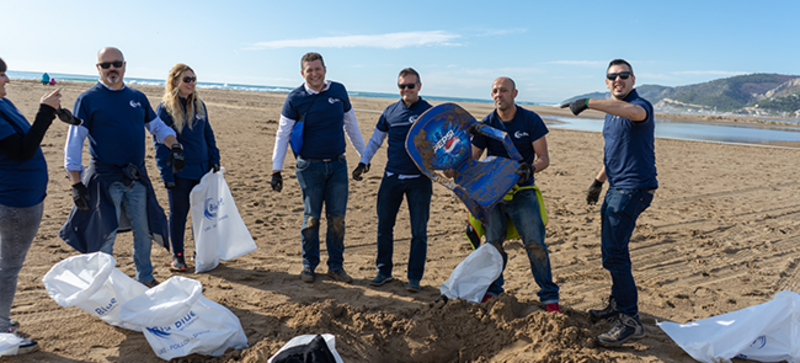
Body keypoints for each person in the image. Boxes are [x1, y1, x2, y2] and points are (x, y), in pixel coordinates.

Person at [59, 47, 185, 288]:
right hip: (105, 178)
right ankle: (104, 284)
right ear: (98, 68)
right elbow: (74, 142)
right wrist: (76, 183)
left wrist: (175, 147)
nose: (112, 69)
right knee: (105, 233)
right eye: (105, 65)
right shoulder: (87, 99)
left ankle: (145, 278)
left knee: (144, 230)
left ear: (124, 65)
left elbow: (158, 128)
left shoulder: (138, 97)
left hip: (137, 177)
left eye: (116, 63)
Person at [561, 59, 657, 346]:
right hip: (616, 186)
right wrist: (598, 182)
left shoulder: (640, 105)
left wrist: (589, 102)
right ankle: (618, 305)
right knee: (611, 250)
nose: (618, 79)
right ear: (606, 81)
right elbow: (613, 152)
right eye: (612, 76)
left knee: (614, 253)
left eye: (623, 75)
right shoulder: (611, 113)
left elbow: (633, 112)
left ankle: (630, 320)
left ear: (633, 79)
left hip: (634, 189)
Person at [270, 52, 365, 284]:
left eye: (317, 69)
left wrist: (365, 157)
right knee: (311, 218)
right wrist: (276, 169)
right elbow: (282, 134)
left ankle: (336, 267)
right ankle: (309, 265)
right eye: (309, 70)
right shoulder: (295, 98)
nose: (314, 73)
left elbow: (351, 125)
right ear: (303, 73)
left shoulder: (339, 91)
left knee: (337, 219)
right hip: (308, 166)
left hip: (337, 165)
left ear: (325, 69)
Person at [471, 77, 561, 313]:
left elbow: (543, 159)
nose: (498, 94)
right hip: (494, 195)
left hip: (523, 192)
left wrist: (530, 168)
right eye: (494, 91)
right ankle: (493, 290)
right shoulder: (486, 124)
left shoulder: (530, 119)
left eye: (503, 90)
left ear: (514, 93)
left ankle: (549, 297)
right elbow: (471, 159)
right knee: (493, 245)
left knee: (535, 244)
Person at [0, 57, 70, 354]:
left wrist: (47, 111)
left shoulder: (4, 104)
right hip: (15, 201)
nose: (7, 80)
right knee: (8, 267)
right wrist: (45, 112)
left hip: (20, 198)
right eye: (1, 75)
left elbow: (23, 139)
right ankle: (1, 330)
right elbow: (23, 151)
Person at [353, 68, 433, 292]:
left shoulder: (430, 113)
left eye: (410, 85)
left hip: (420, 180)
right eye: (402, 86)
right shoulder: (390, 112)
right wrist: (363, 162)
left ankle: (414, 278)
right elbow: (376, 140)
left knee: (419, 231)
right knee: (384, 227)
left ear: (419, 86)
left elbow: (442, 142)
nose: (406, 90)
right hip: (392, 178)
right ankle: (384, 271)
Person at [154, 64, 220, 271]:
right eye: (187, 79)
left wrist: (214, 159)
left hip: (202, 169)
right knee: (179, 213)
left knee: (202, 214)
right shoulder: (164, 109)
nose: (191, 83)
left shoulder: (199, 104)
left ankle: (201, 252)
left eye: (193, 79)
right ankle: (178, 255)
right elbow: (160, 142)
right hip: (179, 171)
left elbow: (207, 134)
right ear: (174, 81)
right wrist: (167, 174)